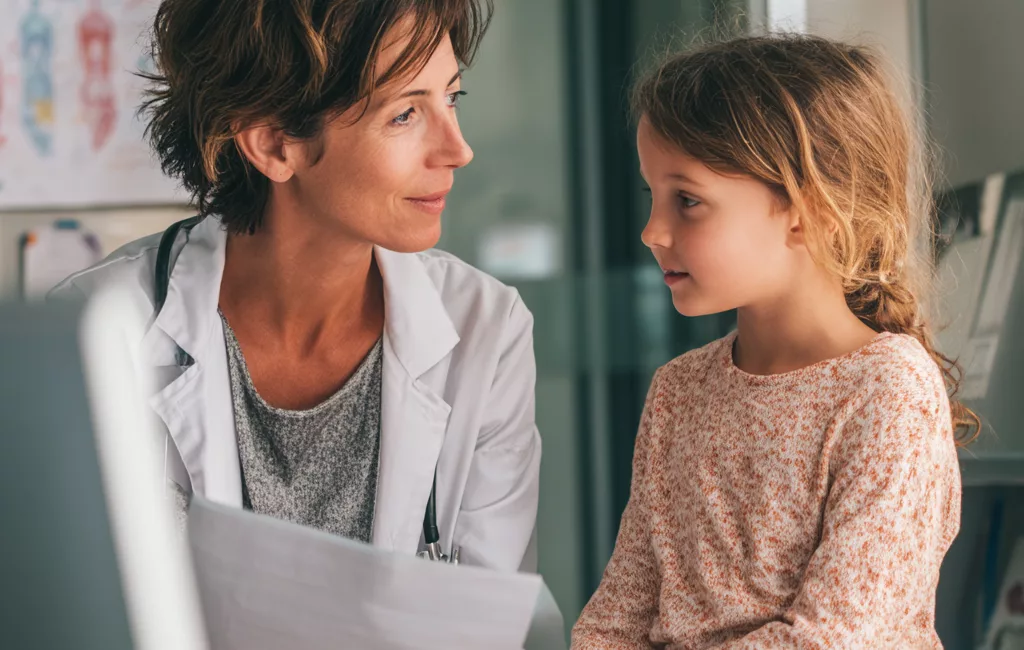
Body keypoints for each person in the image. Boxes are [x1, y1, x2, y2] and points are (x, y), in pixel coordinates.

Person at [51, 0, 542, 573]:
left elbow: (494, 612)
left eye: (452, 98)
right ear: (274, 144)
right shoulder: (90, 331)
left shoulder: (487, 330)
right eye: (405, 114)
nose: (459, 150)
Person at [572, 34, 977, 648]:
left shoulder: (889, 391)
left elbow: (832, 638)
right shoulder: (678, 390)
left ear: (807, 210)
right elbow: (616, 618)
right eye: (652, 196)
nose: (652, 230)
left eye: (687, 201)